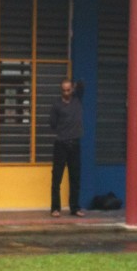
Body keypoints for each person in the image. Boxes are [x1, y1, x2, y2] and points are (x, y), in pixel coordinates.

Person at [50, 78, 85, 217]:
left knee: (75, 178)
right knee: (56, 178)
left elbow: (82, 85)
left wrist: (75, 85)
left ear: (72, 89)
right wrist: (63, 130)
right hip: (61, 144)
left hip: (75, 144)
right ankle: (55, 208)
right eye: (63, 90)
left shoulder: (77, 100)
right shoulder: (57, 105)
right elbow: (52, 123)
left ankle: (75, 208)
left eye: (68, 90)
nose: (66, 92)